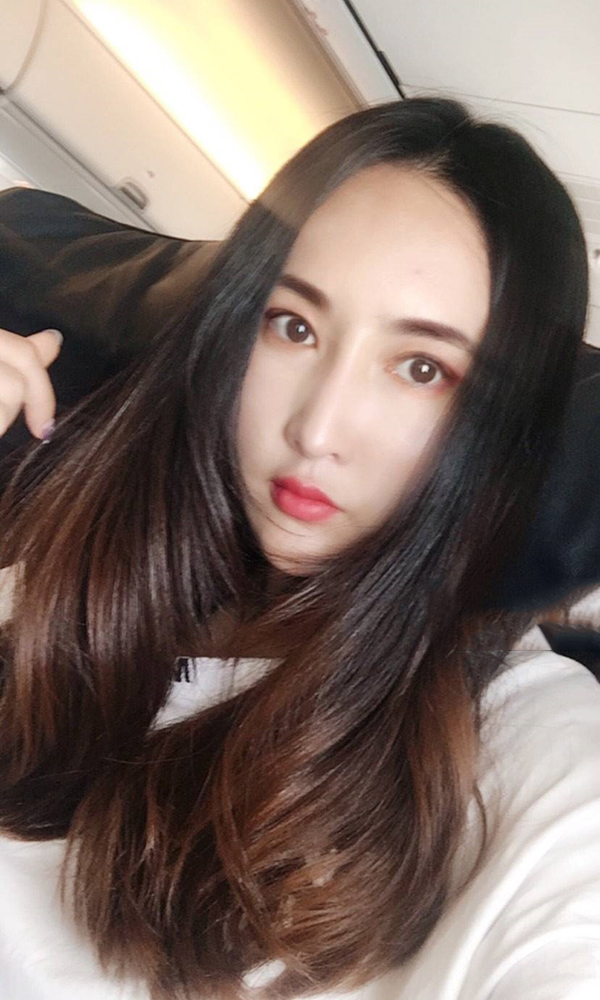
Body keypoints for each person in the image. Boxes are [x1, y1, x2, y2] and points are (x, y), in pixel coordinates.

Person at [0, 96, 598, 1000]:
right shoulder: (57, 562)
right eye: (294, 326)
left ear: (503, 427)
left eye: (423, 369)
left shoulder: (521, 750)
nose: (317, 430)